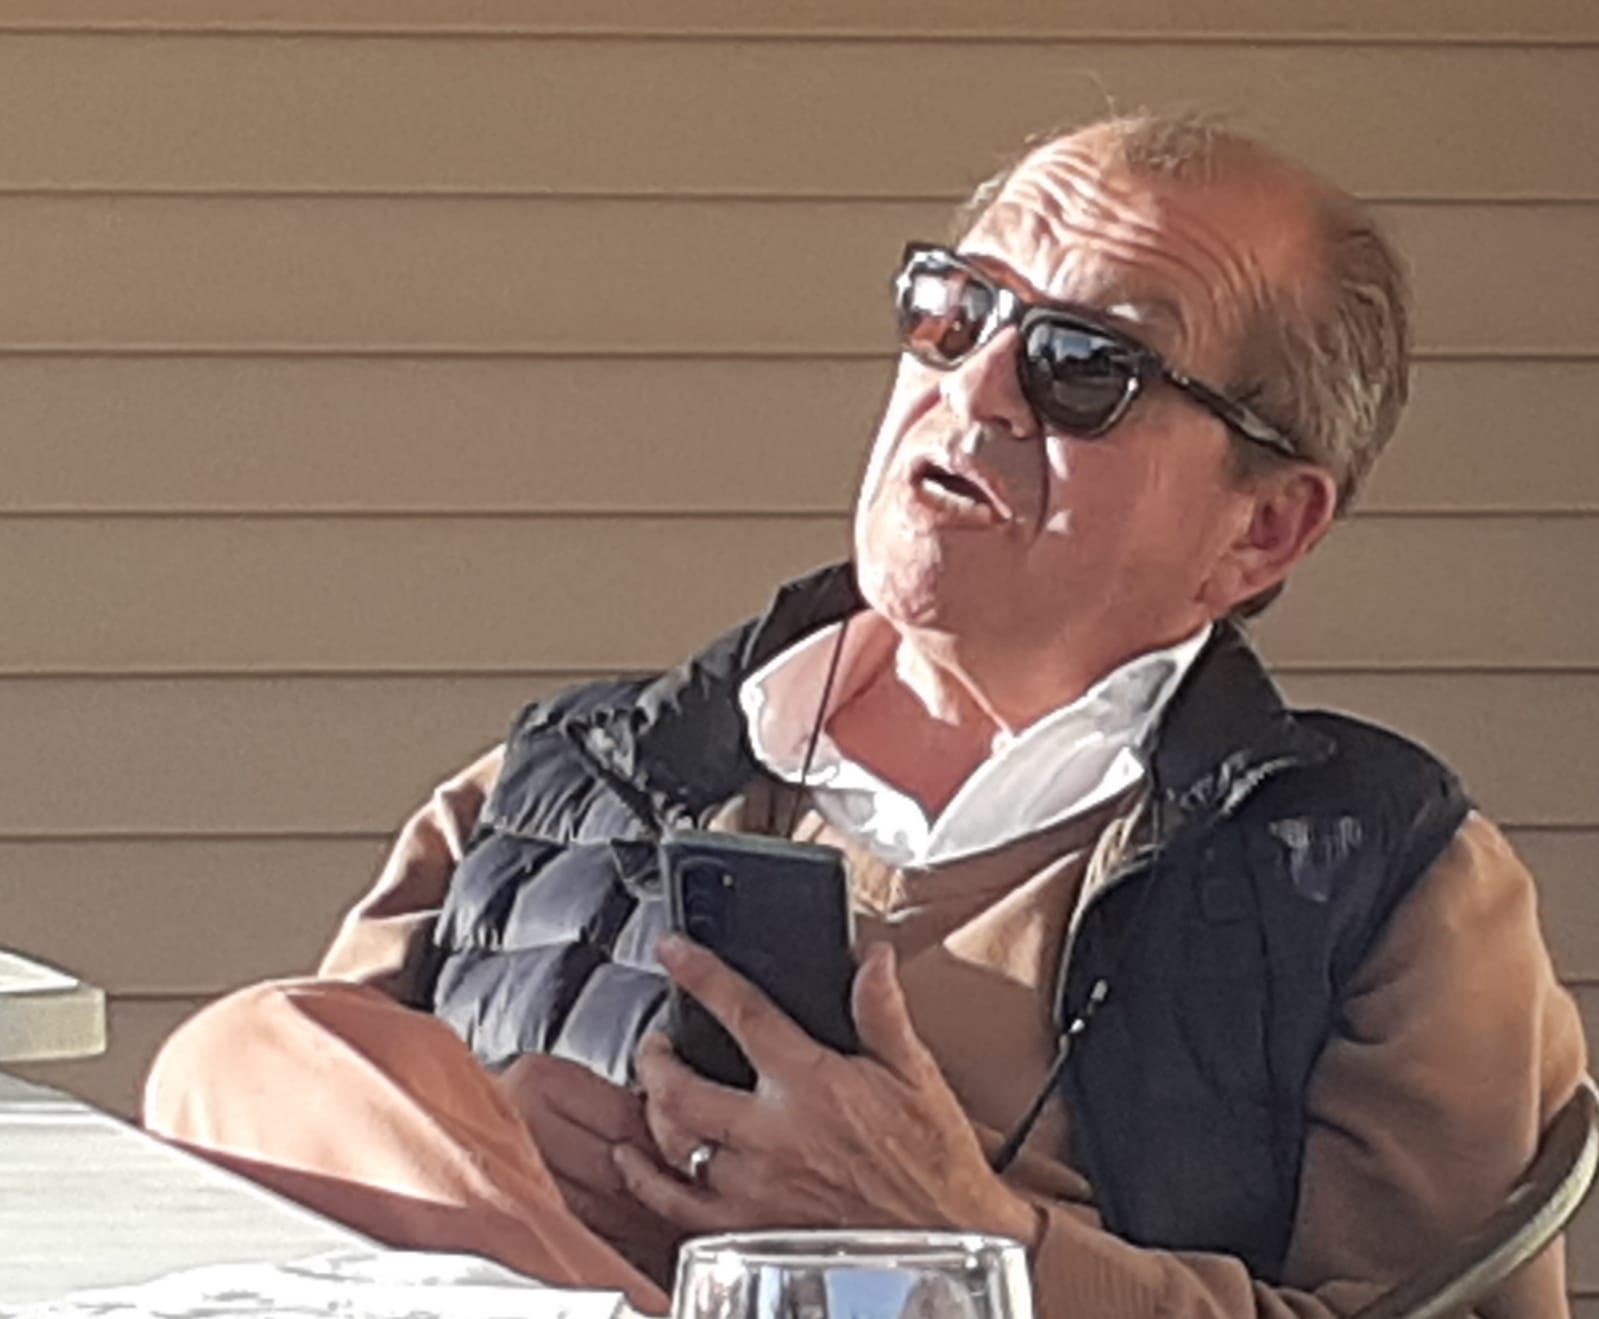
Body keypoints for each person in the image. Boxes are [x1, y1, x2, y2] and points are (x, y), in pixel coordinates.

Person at [144, 111, 1586, 1319]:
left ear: (1262, 529)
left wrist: (969, 1242)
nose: (977, 388)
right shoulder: (575, 779)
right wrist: (492, 1173)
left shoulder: (1372, 878)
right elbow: (269, 1182)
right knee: (249, 1047)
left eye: (1087, 366)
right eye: (953, 311)